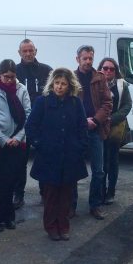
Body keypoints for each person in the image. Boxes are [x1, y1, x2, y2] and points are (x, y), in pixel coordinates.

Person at [26, 68, 88, 240]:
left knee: (66, 194)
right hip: (49, 156)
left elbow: (83, 127)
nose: (60, 87)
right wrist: (39, 144)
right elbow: (31, 126)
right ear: (52, 84)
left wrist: (80, 147)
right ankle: (51, 226)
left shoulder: (75, 103)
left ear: (69, 86)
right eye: (57, 83)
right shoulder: (42, 102)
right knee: (51, 194)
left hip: (70, 155)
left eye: (63, 84)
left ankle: (64, 226)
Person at [0, 59, 31, 232]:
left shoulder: (21, 90)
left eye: (12, 77)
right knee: (0, 181)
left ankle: (7, 215)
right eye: (6, 77)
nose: (9, 80)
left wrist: (18, 137)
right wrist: (3, 139)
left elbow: (28, 115)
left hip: (18, 142)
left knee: (11, 181)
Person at [74, 45, 112, 220]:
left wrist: (95, 120)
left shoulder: (100, 78)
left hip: (96, 129)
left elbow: (107, 104)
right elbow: (67, 104)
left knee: (99, 171)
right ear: (78, 59)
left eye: (90, 58)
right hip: (76, 131)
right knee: (73, 170)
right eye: (85, 58)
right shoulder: (71, 78)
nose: (88, 61)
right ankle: (70, 205)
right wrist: (83, 121)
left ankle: (95, 205)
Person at [14, 38, 52, 209]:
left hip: (43, 124)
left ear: (36, 51)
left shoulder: (46, 70)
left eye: (31, 50)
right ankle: (18, 195)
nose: (28, 54)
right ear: (19, 53)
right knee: (19, 162)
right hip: (21, 124)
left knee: (44, 159)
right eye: (25, 51)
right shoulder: (14, 71)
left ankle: (45, 193)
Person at [99, 57, 131, 205]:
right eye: (105, 68)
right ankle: (99, 191)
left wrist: (111, 119)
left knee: (112, 162)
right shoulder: (96, 84)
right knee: (100, 163)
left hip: (114, 129)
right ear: (100, 69)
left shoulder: (121, 85)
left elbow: (126, 106)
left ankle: (110, 192)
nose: (108, 71)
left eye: (111, 69)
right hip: (99, 129)